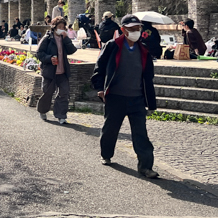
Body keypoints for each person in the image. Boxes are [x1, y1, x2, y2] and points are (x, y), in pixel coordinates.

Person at [91, 14, 159, 178]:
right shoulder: (112, 46)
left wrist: (149, 99)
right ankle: (106, 154)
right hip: (115, 97)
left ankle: (145, 166)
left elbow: (148, 77)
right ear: (123, 30)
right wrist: (100, 88)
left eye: (138, 29)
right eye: (132, 29)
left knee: (140, 133)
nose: (135, 32)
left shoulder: (143, 50)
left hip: (137, 98)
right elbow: (99, 68)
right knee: (110, 129)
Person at [36, 16, 78, 125]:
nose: (61, 29)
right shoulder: (48, 38)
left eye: (63, 27)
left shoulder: (64, 38)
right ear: (54, 27)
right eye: (59, 27)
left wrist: (66, 39)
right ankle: (43, 111)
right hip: (50, 72)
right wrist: (49, 58)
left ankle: (61, 116)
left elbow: (72, 50)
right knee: (47, 93)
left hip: (62, 71)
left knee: (64, 93)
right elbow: (39, 53)